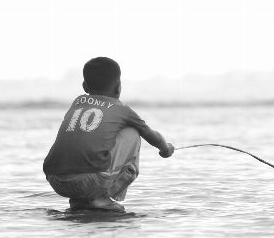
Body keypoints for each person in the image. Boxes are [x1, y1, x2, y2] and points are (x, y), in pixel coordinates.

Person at [43, 57, 175, 212]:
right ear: (118, 87)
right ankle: (100, 198)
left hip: (55, 180)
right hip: (88, 183)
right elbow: (153, 136)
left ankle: (80, 201)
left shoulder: (78, 102)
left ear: (84, 86)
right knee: (132, 132)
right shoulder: (122, 110)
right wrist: (166, 150)